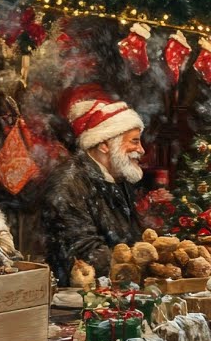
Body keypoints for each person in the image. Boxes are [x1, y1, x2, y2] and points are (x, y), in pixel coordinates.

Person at [42, 84, 146, 287]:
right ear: (104, 144)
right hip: (77, 294)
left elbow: (129, 238)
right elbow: (83, 251)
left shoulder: (117, 176)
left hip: (117, 287)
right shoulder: (68, 183)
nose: (141, 150)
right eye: (134, 141)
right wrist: (139, 267)